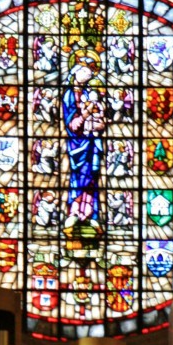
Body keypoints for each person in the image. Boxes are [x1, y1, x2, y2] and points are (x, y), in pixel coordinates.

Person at [62, 49, 105, 243]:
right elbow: (72, 124)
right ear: (75, 72)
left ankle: (90, 214)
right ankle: (74, 211)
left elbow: (101, 121)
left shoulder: (90, 94)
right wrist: (87, 112)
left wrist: (99, 122)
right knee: (78, 177)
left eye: (90, 74)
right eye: (84, 73)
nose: (87, 77)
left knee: (91, 179)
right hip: (76, 144)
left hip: (91, 143)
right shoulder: (69, 96)